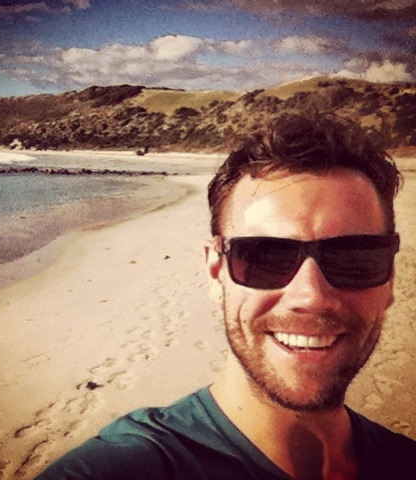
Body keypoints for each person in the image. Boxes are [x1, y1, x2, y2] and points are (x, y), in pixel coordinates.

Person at [35, 113, 415, 479]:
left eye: (354, 258)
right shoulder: (121, 468)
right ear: (216, 273)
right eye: (265, 257)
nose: (311, 296)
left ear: (390, 278)